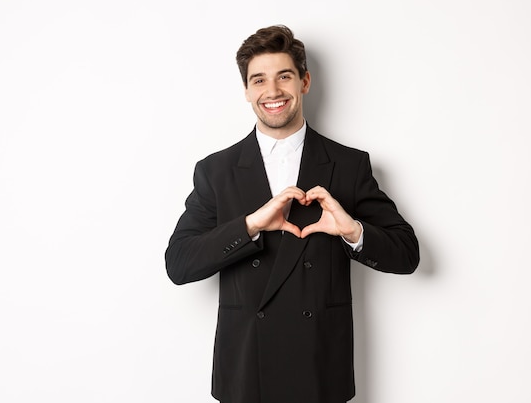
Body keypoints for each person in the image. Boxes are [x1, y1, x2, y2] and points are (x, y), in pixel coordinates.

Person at [165, 25, 419, 403]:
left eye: (284, 76)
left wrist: (352, 231)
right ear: (247, 91)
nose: (272, 91)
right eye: (259, 80)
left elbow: (407, 254)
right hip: (247, 371)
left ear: (304, 81)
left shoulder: (348, 165)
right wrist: (250, 226)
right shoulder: (216, 171)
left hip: (319, 366)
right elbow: (179, 264)